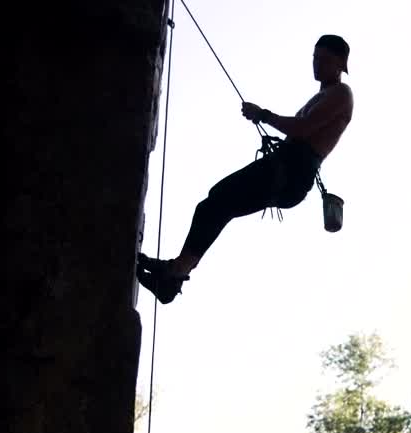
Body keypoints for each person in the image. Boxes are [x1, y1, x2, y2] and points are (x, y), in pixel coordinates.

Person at [137, 34, 355, 304]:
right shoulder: (323, 94)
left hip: (291, 174)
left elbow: (303, 128)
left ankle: (175, 273)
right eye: (314, 58)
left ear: (341, 63)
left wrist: (263, 114)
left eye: (323, 59)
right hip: (286, 172)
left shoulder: (341, 94)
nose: (316, 65)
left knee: (217, 202)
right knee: (214, 203)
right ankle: (174, 273)